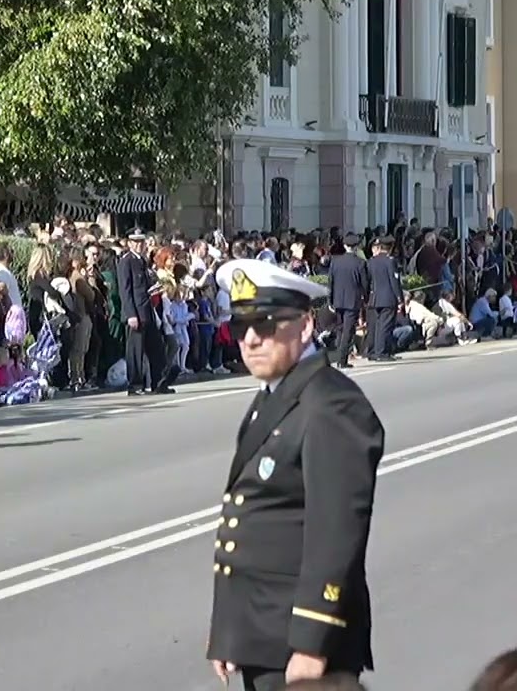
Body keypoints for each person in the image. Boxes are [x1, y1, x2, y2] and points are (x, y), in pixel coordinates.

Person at [206, 259, 385, 691]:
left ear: (305, 326)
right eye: (241, 325)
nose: (250, 339)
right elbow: (255, 519)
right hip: (262, 634)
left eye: (265, 325)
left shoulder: (332, 404)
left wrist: (311, 645)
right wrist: (230, 632)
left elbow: (335, 535)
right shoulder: (277, 395)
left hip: (298, 644)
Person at [117, 227, 175, 396]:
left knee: (156, 347)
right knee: (135, 351)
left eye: (141, 241)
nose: (139, 245)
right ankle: (135, 385)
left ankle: (159, 382)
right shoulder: (126, 261)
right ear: (129, 243)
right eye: (135, 242)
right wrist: (131, 314)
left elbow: (143, 287)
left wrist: (154, 288)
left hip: (147, 309)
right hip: (136, 312)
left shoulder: (142, 261)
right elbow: (125, 290)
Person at [326, 233, 367, 368]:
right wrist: (365, 299)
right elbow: (364, 284)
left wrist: (330, 301)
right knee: (348, 331)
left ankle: (339, 356)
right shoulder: (360, 263)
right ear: (356, 247)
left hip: (338, 300)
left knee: (340, 329)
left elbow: (330, 283)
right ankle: (342, 360)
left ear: (344, 246)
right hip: (352, 301)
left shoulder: (335, 261)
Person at [364, 236, 401, 361]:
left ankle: (373, 351)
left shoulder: (370, 262)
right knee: (386, 326)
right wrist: (399, 298)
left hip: (374, 298)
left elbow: (367, 281)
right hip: (388, 297)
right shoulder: (390, 261)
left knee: (376, 326)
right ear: (390, 248)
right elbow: (394, 281)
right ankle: (382, 352)